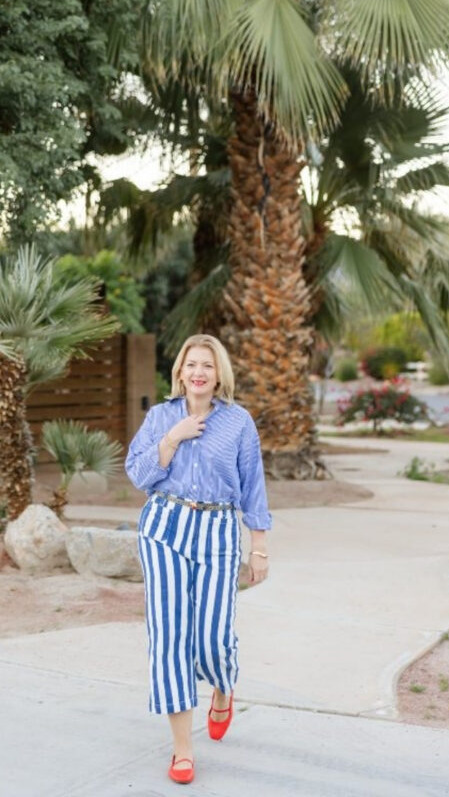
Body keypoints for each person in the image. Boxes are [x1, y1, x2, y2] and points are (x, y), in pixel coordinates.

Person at [125, 333, 271, 785]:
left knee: (211, 638)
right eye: (191, 365)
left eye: (207, 365)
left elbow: (253, 486)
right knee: (170, 638)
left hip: (219, 532)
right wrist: (173, 437)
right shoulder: (161, 417)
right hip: (165, 527)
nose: (198, 372)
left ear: (218, 373)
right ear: (180, 372)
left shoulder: (239, 422)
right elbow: (138, 473)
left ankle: (223, 689)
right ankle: (183, 750)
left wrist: (259, 546)